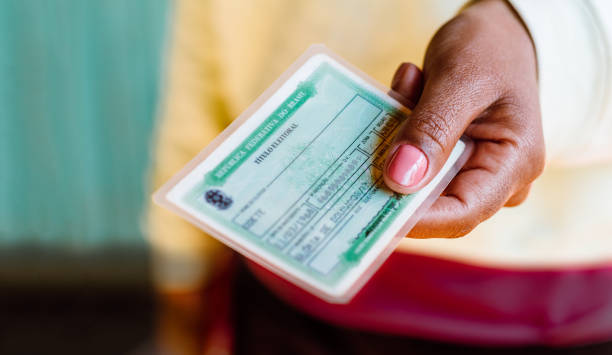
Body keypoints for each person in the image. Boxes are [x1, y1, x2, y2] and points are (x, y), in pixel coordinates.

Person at [148, 0, 612, 353]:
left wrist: (534, 37)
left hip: (560, 303)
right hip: (291, 277)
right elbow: (204, 43)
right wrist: (181, 256)